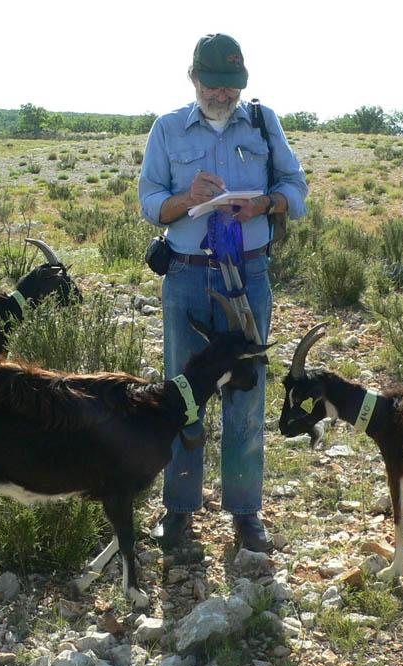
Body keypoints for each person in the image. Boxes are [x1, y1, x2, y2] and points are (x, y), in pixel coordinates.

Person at [139, 33, 308, 552]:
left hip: (248, 276)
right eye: (213, 85)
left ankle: (245, 515)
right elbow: (149, 203)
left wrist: (264, 204)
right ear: (193, 79)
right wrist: (183, 200)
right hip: (187, 276)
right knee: (183, 394)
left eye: (232, 86)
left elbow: (297, 193)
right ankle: (180, 511)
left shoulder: (263, 121)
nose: (223, 95)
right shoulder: (167, 130)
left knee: (246, 394)